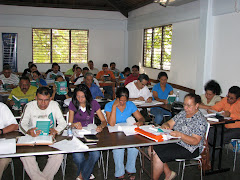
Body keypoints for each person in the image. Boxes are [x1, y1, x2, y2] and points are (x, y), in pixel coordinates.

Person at [150, 94, 207, 180]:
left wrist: (181, 135)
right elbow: (170, 123)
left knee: (157, 156)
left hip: (190, 148)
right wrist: (166, 125)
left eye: (189, 105)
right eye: (184, 104)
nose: (185, 108)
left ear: (197, 105)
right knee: (152, 149)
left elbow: (195, 141)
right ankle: (168, 173)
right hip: (176, 141)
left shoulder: (200, 120)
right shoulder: (183, 113)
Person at [19, 87, 67, 180]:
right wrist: (29, 131)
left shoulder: (54, 105)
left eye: (46, 100)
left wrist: (56, 130)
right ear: (35, 98)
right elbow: (22, 124)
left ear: (50, 99)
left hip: (49, 137)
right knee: (25, 156)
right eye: (40, 100)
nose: (43, 103)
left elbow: (63, 123)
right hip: (33, 138)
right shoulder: (29, 106)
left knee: (58, 155)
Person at [105, 87, 145, 180]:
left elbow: (141, 118)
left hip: (128, 131)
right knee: (118, 149)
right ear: (116, 97)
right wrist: (114, 107)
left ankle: (130, 169)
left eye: (125, 101)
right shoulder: (109, 105)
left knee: (134, 148)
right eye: (120, 100)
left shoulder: (130, 104)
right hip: (114, 132)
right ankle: (119, 172)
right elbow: (111, 123)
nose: (122, 103)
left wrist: (140, 122)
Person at [68, 84, 107, 180]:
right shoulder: (73, 104)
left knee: (95, 154)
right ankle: (87, 173)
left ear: (87, 96)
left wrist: (100, 126)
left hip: (90, 134)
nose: (80, 99)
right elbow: (69, 123)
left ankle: (82, 176)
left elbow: (104, 121)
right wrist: (74, 124)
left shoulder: (93, 103)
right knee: (78, 157)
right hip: (77, 134)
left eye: (82, 97)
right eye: (78, 96)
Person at [208, 86, 240, 157]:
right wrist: (212, 111)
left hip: (237, 128)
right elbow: (214, 108)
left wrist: (231, 114)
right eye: (228, 96)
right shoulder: (225, 100)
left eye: (231, 98)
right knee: (211, 131)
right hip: (225, 125)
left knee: (219, 137)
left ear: (237, 99)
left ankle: (210, 160)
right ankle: (209, 155)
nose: (228, 99)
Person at [0, 102, 18, 179]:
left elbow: (15, 125)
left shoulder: (2, 107)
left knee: (3, 160)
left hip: (2, 146)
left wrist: (1, 131)